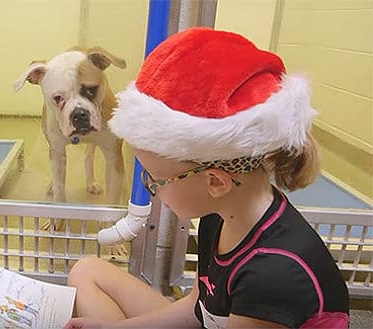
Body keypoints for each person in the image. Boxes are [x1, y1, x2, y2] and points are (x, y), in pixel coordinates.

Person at [64, 27, 350, 329]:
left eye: (156, 180)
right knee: (87, 271)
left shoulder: (272, 275)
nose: (152, 191)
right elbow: (196, 309)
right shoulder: (222, 217)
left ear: (215, 182)